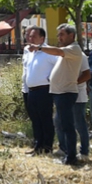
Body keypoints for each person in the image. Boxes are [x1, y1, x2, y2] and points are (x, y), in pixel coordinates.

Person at [28, 24, 83, 165]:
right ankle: (67, 153)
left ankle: (71, 157)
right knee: (61, 125)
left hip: (66, 93)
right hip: (59, 93)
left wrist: (39, 47)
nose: (59, 37)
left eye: (62, 34)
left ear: (71, 35)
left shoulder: (73, 49)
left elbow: (58, 52)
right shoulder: (67, 51)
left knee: (67, 126)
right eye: (58, 34)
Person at [24, 27, 58, 155]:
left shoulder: (48, 52)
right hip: (31, 91)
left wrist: (53, 77)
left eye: (33, 37)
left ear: (42, 38)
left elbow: (60, 63)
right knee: (36, 120)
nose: (30, 39)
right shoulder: (31, 52)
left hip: (44, 90)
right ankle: (38, 146)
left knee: (45, 119)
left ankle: (47, 147)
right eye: (30, 36)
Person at [55, 53, 91, 160]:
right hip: (63, 95)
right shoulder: (61, 56)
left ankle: (84, 152)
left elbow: (87, 75)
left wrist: (71, 83)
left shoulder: (80, 56)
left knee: (79, 124)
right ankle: (63, 148)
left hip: (78, 96)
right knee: (58, 121)